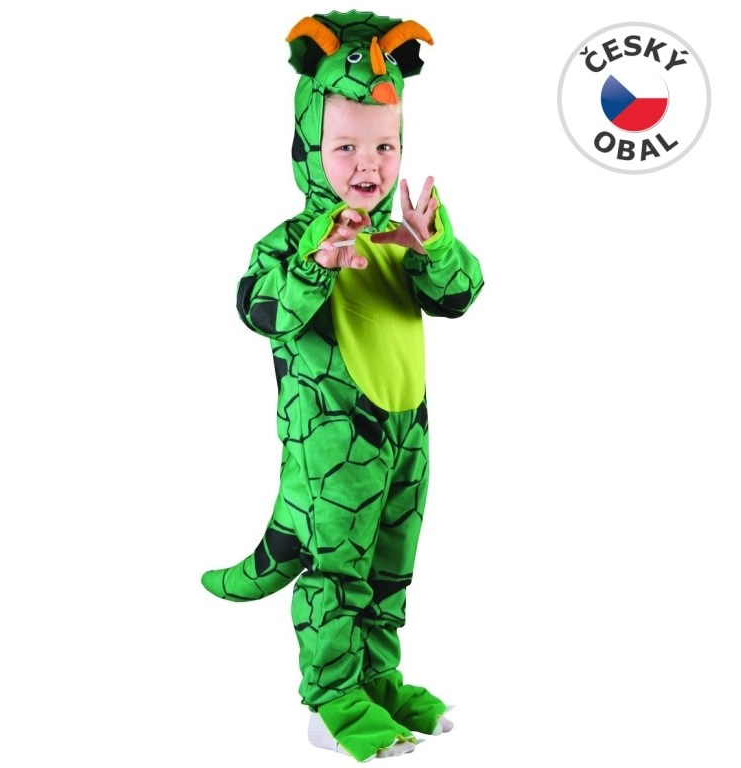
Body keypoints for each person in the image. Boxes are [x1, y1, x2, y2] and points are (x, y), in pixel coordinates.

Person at [200, 10, 484, 762]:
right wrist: (317, 264)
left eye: (386, 145)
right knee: (337, 572)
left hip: (405, 441)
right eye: (347, 146)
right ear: (309, 148)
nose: (369, 164)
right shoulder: (291, 245)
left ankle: (376, 679)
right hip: (332, 457)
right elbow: (260, 311)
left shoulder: (403, 237)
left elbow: (460, 296)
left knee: (390, 569)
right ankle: (331, 702)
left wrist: (435, 249)